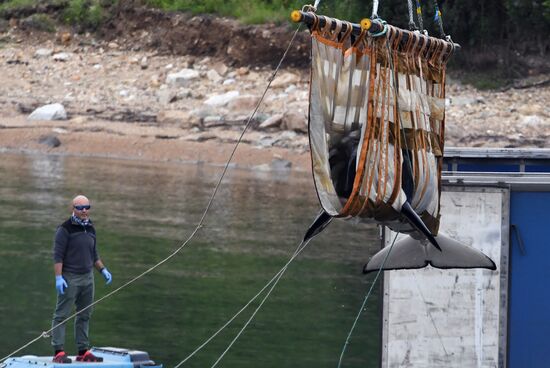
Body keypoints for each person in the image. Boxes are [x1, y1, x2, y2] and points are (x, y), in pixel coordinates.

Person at [51, 195, 112, 363]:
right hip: (70, 277)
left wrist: (103, 270)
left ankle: (83, 351)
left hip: (88, 278)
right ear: (73, 209)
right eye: (80, 208)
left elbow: (94, 255)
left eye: (87, 207)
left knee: (85, 315)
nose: (84, 210)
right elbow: (57, 256)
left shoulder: (91, 228)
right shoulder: (65, 228)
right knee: (61, 315)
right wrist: (58, 277)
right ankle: (58, 352)